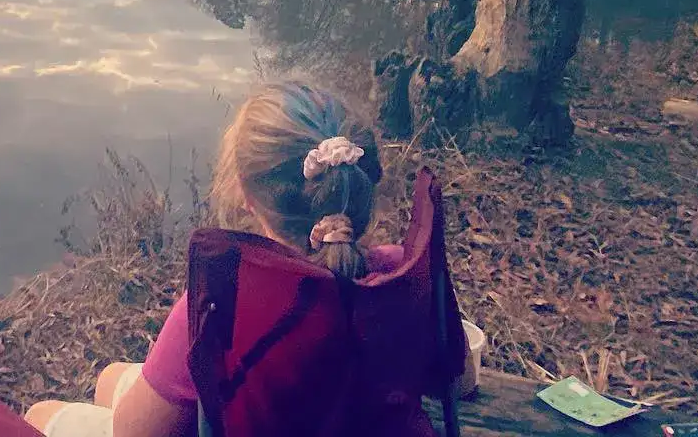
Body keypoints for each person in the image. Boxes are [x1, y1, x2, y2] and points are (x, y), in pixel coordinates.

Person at [23, 82, 411, 437]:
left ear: (247, 195)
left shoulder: (220, 307)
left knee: (41, 414)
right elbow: (443, 378)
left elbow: (132, 433)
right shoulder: (398, 274)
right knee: (109, 377)